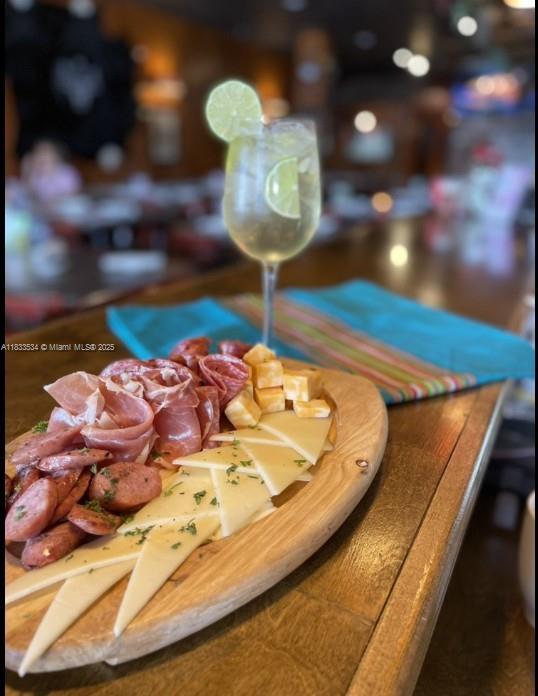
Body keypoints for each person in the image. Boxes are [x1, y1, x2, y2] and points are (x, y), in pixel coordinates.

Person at [21, 140, 82, 205]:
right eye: (38, 161)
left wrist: (56, 200)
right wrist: (27, 171)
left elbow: (74, 192)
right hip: (44, 207)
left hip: (65, 204)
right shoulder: (36, 176)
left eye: (45, 161)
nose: (41, 165)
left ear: (56, 159)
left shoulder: (66, 173)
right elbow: (30, 193)